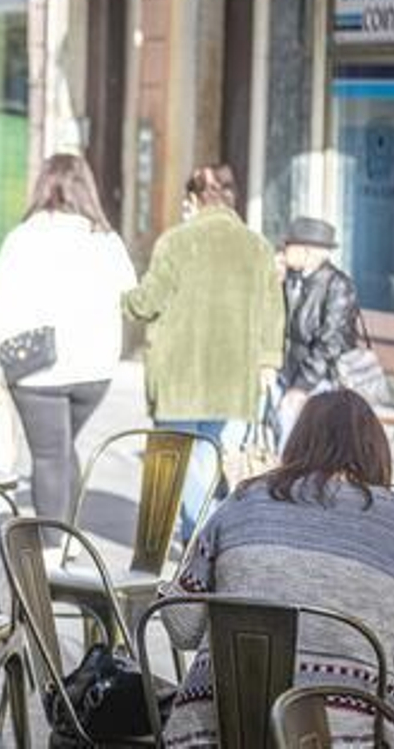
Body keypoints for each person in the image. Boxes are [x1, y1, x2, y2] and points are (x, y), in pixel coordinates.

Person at [158, 390, 394, 745]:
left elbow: (182, 628)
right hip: (346, 739)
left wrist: (172, 587)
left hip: (216, 735)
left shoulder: (240, 504)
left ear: (298, 441)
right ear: (376, 450)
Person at [123, 164, 284, 540]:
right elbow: (273, 313)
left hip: (180, 380)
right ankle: (201, 541)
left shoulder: (177, 242)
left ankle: (199, 536)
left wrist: (121, 298)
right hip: (233, 381)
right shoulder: (258, 247)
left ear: (194, 200)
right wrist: (268, 362)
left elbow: (147, 302)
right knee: (207, 462)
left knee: (169, 466)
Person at [0, 154, 136, 526]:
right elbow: (130, 294)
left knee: (49, 455)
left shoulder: (24, 237)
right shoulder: (106, 239)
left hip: (37, 371)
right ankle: (67, 539)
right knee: (64, 448)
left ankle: (52, 549)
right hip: (94, 370)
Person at [277, 216, 359, 440]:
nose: (283, 250)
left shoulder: (337, 285)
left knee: (289, 418)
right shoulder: (291, 279)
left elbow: (330, 344)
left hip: (320, 378)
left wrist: (300, 387)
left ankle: (291, 472)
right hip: (287, 372)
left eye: (289, 245)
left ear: (308, 251)